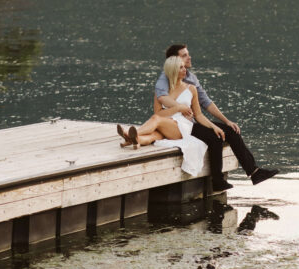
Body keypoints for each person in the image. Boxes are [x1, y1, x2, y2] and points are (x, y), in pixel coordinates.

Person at [154, 43, 278, 188]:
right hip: (177, 123)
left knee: (230, 130)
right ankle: (217, 180)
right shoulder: (164, 78)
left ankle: (254, 172)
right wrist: (180, 108)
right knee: (215, 137)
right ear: (175, 60)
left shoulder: (191, 78)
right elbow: (162, 97)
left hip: (192, 120)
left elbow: (206, 102)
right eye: (184, 55)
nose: (189, 57)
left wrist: (226, 120)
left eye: (188, 54)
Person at [117, 55, 230, 187]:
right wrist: (178, 108)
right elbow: (158, 111)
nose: (185, 70)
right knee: (153, 136)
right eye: (180, 67)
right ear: (172, 70)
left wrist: (213, 126)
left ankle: (132, 133)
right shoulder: (161, 92)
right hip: (166, 125)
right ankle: (134, 139)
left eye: (184, 67)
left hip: (182, 127)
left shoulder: (191, 89)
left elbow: (198, 116)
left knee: (156, 120)